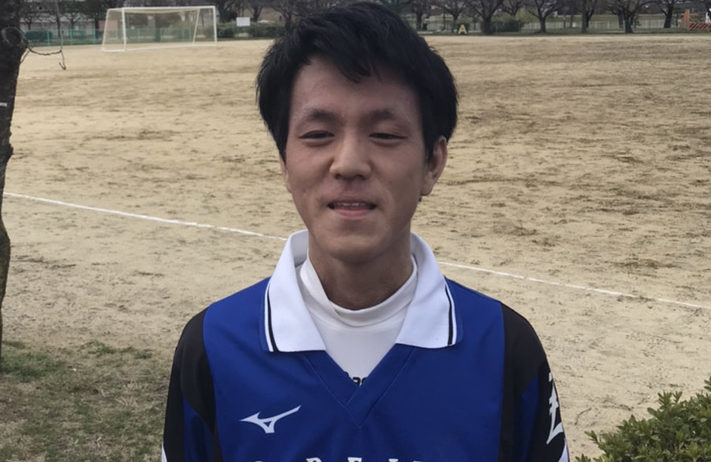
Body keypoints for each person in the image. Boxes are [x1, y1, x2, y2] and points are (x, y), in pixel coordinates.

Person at [162, 3, 569, 461]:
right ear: (284, 162)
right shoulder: (214, 347)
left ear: (433, 163)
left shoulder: (504, 349)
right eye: (318, 134)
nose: (349, 163)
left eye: (385, 135)